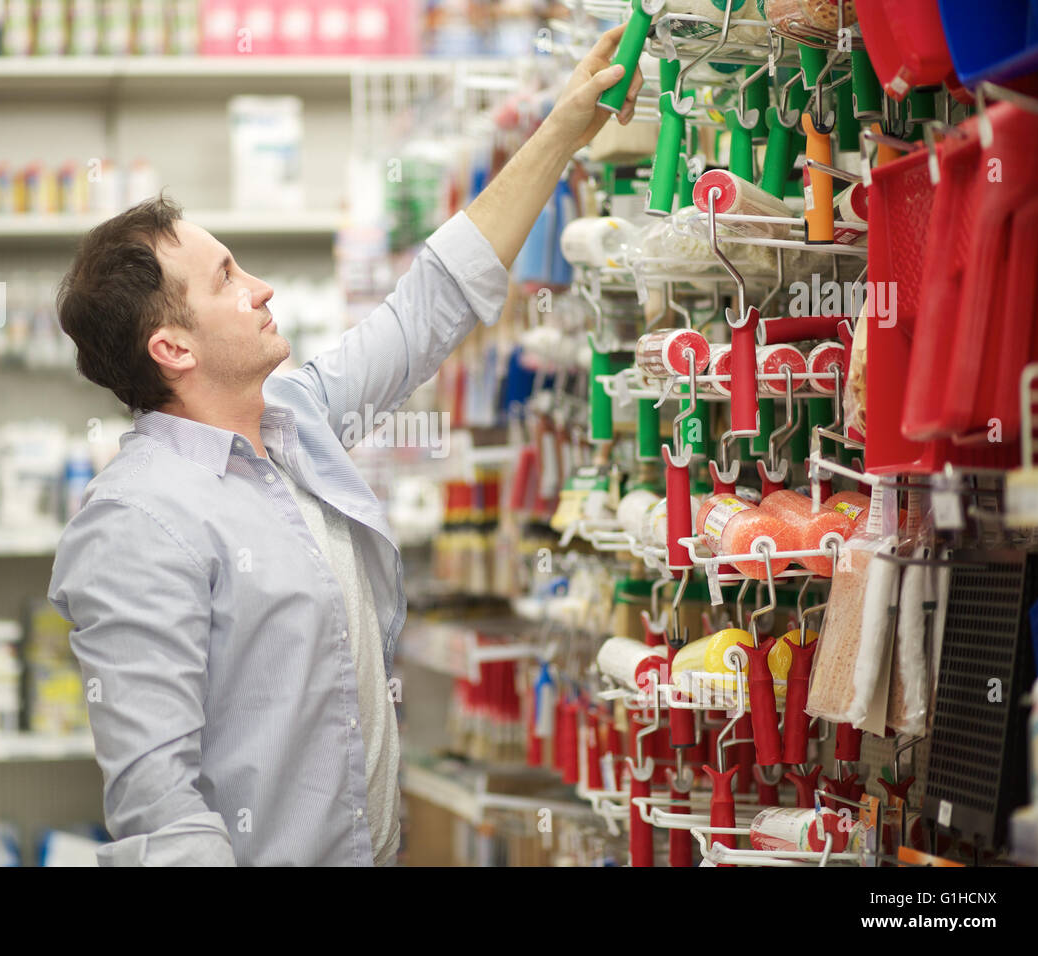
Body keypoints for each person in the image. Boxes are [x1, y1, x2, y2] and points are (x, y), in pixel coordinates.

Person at [48, 25, 642, 867]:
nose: (262, 288)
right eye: (227, 279)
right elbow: (161, 809)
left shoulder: (295, 421)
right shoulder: (137, 522)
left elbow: (430, 304)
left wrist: (563, 128)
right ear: (172, 348)